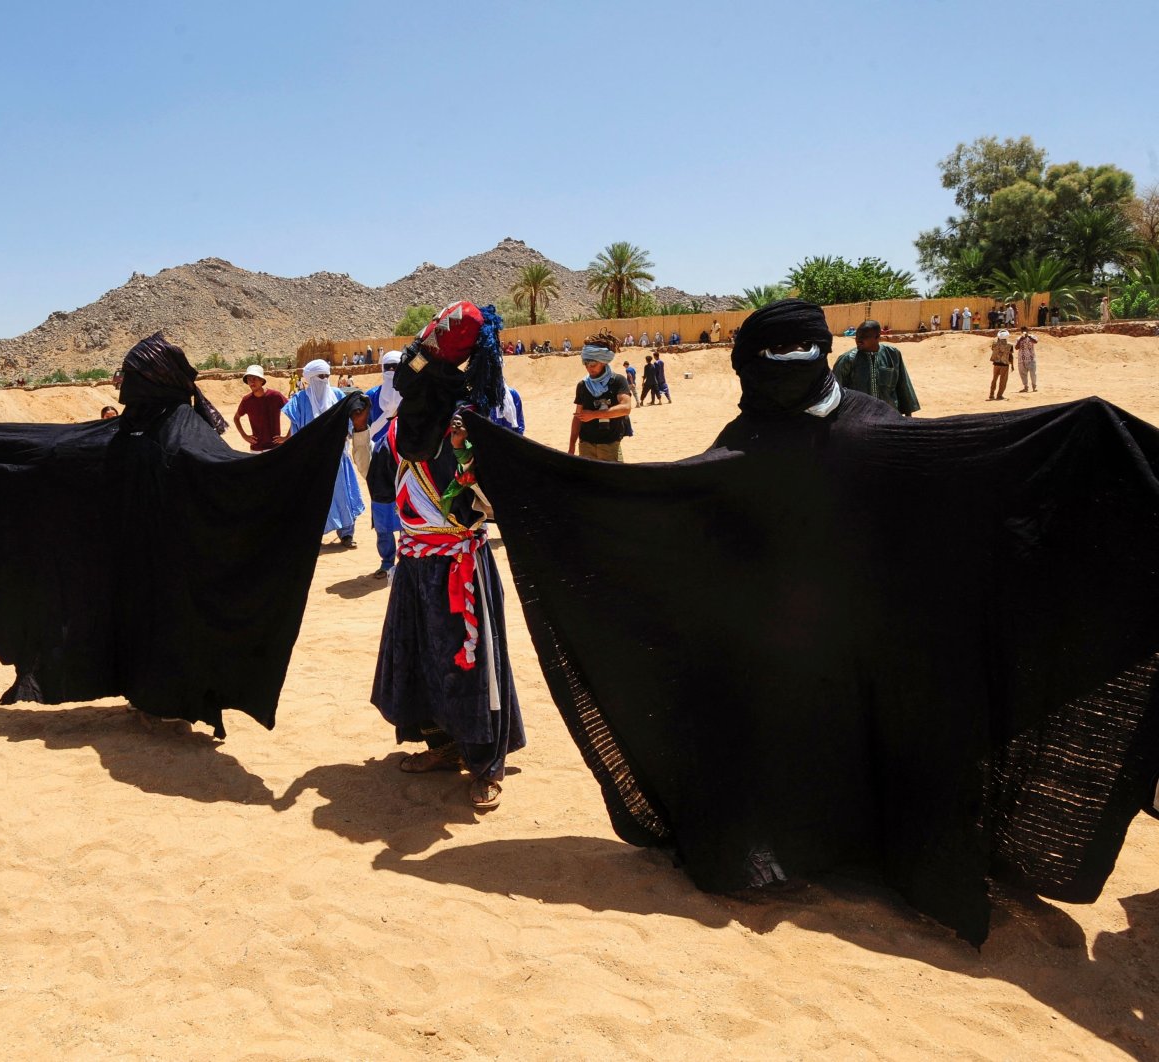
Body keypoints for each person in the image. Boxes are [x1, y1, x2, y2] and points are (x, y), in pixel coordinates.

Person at [465, 296, 1159, 945]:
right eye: (782, 352)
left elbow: (963, 470)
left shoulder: (848, 430)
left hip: (848, 644)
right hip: (822, 647)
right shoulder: (820, 430)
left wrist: (1085, 437)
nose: (790, 366)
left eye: (800, 349)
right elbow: (690, 505)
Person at [0, 333, 365, 736]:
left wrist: (326, 429)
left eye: (131, 378)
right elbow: (57, 449)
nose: (122, 390)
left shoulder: (182, 430)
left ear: (155, 380)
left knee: (168, 632)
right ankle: (144, 695)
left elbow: (233, 474)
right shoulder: (133, 428)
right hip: (132, 567)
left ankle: (168, 702)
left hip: (173, 570)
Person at [371, 301, 525, 811]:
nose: (404, 382)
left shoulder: (470, 424)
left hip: (460, 566)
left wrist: (466, 458)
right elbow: (381, 484)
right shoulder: (401, 426)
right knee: (421, 656)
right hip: (416, 565)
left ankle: (485, 763)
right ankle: (443, 744)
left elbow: (493, 498)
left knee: (469, 661)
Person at [284, 359, 365, 546]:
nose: (325, 380)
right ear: (311, 378)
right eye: (321, 376)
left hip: (337, 456)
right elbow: (296, 428)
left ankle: (347, 534)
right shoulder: (299, 401)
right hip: (311, 459)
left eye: (327, 376)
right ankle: (313, 534)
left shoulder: (337, 395)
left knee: (343, 494)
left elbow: (350, 423)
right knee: (313, 496)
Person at [364, 352, 405, 579]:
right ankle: (386, 560)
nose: (391, 371)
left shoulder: (411, 396)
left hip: (406, 460)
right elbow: (363, 430)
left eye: (396, 366)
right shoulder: (371, 396)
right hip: (379, 464)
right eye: (387, 366)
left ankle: (406, 559)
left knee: (409, 509)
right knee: (381, 513)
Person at [830, 320, 920, 416]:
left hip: (889, 416)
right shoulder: (847, 359)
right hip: (859, 418)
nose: (858, 340)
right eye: (857, 336)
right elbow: (835, 391)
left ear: (877, 337)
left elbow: (903, 386)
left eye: (863, 337)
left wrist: (908, 417)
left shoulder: (893, 354)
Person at [569, 345, 634, 461]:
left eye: (593, 365)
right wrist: (571, 445)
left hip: (610, 445)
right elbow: (578, 417)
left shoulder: (618, 381)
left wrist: (593, 415)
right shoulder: (583, 385)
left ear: (603, 362)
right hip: (586, 445)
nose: (589, 368)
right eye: (586, 365)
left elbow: (626, 408)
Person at [233, 366, 285, 452]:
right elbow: (236, 418)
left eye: (255, 378)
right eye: (249, 379)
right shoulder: (246, 400)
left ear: (262, 380)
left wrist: (286, 437)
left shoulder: (275, 396)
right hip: (255, 450)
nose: (251, 382)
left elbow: (295, 414)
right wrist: (244, 435)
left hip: (274, 448)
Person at [987, 329, 1014, 400]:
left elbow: (993, 350)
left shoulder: (994, 344)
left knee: (994, 379)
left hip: (996, 363)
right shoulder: (1010, 345)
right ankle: (999, 395)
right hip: (1004, 364)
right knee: (1003, 381)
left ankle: (991, 394)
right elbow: (1010, 356)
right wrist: (1012, 365)